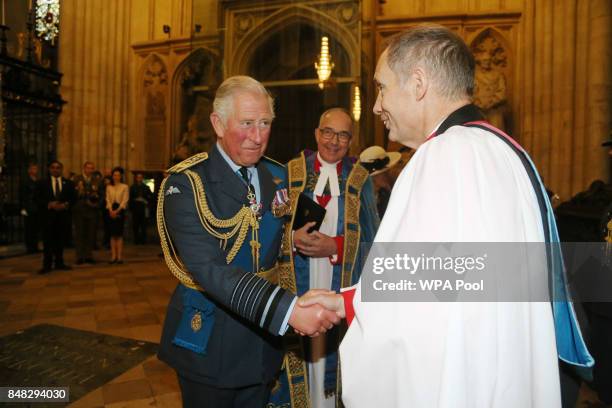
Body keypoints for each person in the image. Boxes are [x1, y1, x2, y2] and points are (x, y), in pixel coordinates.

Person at [299, 25, 593, 408]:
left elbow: (418, 315)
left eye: (382, 87)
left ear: (418, 83)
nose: (375, 106)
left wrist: (358, 319)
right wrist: (349, 302)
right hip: (503, 375)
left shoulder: (440, 158)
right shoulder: (500, 149)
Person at [156, 75, 340, 408]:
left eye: (265, 123)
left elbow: (268, 242)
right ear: (218, 123)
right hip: (211, 340)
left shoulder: (277, 174)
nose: (257, 137)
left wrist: (291, 238)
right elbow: (208, 268)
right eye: (246, 124)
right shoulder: (186, 185)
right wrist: (289, 310)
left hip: (262, 344)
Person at [269, 108, 379, 408]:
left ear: (350, 141)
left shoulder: (360, 180)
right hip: (298, 287)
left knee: (335, 359)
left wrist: (338, 247)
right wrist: (290, 239)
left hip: (338, 286)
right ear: (317, 134)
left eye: (343, 135)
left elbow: (374, 241)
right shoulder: (289, 175)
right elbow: (266, 232)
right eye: (328, 132)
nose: (334, 141)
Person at [36, 160, 75, 274]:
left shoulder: (68, 183)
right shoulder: (42, 183)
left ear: (61, 169)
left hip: (62, 217)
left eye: (58, 167)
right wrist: (49, 204)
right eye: (53, 167)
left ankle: (59, 262)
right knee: (48, 241)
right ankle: (47, 265)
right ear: (49, 169)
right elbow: (37, 198)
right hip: (48, 217)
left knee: (60, 241)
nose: (55, 169)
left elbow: (73, 198)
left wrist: (65, 205)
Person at [358, 145, 402, 218]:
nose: (388, 173)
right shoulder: (362, 200)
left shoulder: (386, 192)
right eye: (384, 172)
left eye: (387, 171)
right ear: (373, 177)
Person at [73, 161, 101, 264]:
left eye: (92, 168)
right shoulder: (77, 179)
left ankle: (89, 255)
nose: (90, 170)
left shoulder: (96, 180)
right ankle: (80, 256)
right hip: (80, 210)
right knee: (80, 234)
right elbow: (74, 194)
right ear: (84, 168)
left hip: (92, 211)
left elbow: (100, 194)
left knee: (90, 234)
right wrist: (85, 201)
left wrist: (96, 204)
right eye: (88, 168)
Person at [105, 167, 129, 263]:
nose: (116, 177)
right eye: (115, 175)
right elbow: (107, 199)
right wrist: (111, 210)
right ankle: (113, 256)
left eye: (118, 175)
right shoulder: (108, 187)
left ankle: (119, 257)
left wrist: (117, 211)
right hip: (111, 211)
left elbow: (125, 200)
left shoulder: (125, 187)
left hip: (120, 211)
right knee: (112, 235)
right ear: (112, 176)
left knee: (119, 235)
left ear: (121, 176)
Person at [21, 163, 40, 253]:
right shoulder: (25, 181)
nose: (34, 170)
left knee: (36, 227)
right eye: (32, 168)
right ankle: (30, 247)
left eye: (35, 169)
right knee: (29, 228)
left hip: (37, 207)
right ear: (29, 171)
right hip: (29, 207)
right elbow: (22, 196)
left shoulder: (38, 181)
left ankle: (35, 246)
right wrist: (23, 208)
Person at [129, 172, 152, 244]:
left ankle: (143, 240)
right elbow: (130, 198)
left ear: (142, 178)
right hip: (135, 209)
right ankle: (136, 240)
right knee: (135, 225)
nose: (139, 178)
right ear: (136, 178)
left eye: (140, 177)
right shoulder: (132, 187)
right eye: (138, 177)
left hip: (143, 208)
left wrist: (145, 200)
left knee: (143, 226)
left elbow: (151, 197)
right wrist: (135, 200)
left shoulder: (146, 187)